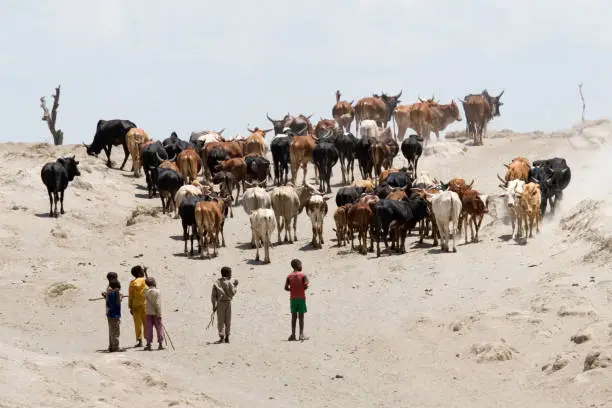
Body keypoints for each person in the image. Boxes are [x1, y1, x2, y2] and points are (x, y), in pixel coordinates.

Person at [211, 266, 238, 344]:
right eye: (230, 274)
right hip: (228, 303)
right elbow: (232, 293)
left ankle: (221, 337)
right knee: (228, 320)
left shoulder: (217, 283)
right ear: (227, 274)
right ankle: (227, 337)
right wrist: (235, 286)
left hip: (220, 304)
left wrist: (214, 306)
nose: (231, 275)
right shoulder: (229, 283)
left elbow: (213, 296)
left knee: (220, 321)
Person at [285, 259, 309, 341]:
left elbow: (286, 288)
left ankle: (293, 335)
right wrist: (302, 289)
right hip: (301, 298)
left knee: (293, 317)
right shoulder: (303, 275)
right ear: (298, 266)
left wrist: (292, 290)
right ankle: (301, 335)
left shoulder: (289, 276)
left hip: (293, 299)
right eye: (301, 265)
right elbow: (306, 285)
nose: (301, 266)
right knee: (301, 317)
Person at [128, 265, 148, 347]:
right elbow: (150, 283)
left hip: (135, 305)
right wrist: (146, 272)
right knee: (146, 323)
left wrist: (130, 307)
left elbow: (131, 296)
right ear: (140, 272)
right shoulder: (144, 281)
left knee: (137, 324)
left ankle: (139, 341)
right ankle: (148, 340)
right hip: (145, 305)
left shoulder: (132, 283)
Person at [144, 276, 164, 350]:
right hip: (156, 313)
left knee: (148, 328)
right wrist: (159, 313)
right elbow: (157, 304)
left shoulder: (146, 291)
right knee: (159, 328)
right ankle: (160, 344)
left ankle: (148, 344)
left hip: (148, 312)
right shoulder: (157, 292)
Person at [106, 279, 123, 352]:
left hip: (109, 315)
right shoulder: (116, 294)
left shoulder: (109, 293)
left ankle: (111, 346)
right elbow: (117, 303)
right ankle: (115, 347)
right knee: (116, 332)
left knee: (111, 331)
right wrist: (121, 297)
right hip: (115, 315)